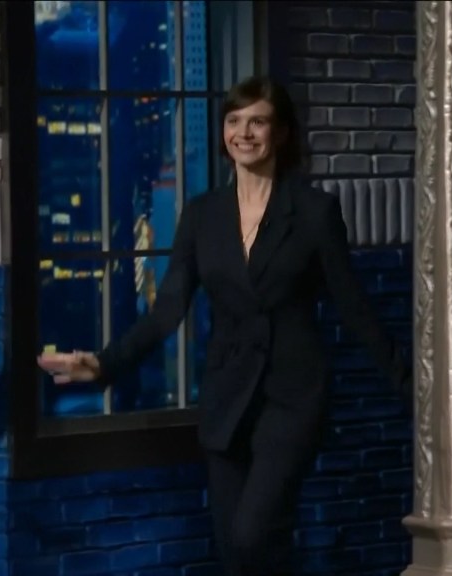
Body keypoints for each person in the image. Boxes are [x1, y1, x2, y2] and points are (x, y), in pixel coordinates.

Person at [37, 75, 411, 576]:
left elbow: (356, 308)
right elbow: (168, 309)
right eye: (234, 121)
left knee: (254, 534)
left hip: (291, 398)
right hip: (227, 397)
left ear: (281, 133)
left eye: (258, 121)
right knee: (235, 550)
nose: (244, 132)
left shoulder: (315, 212)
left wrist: (413, 389)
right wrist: (104, 364)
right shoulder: (202, 215)